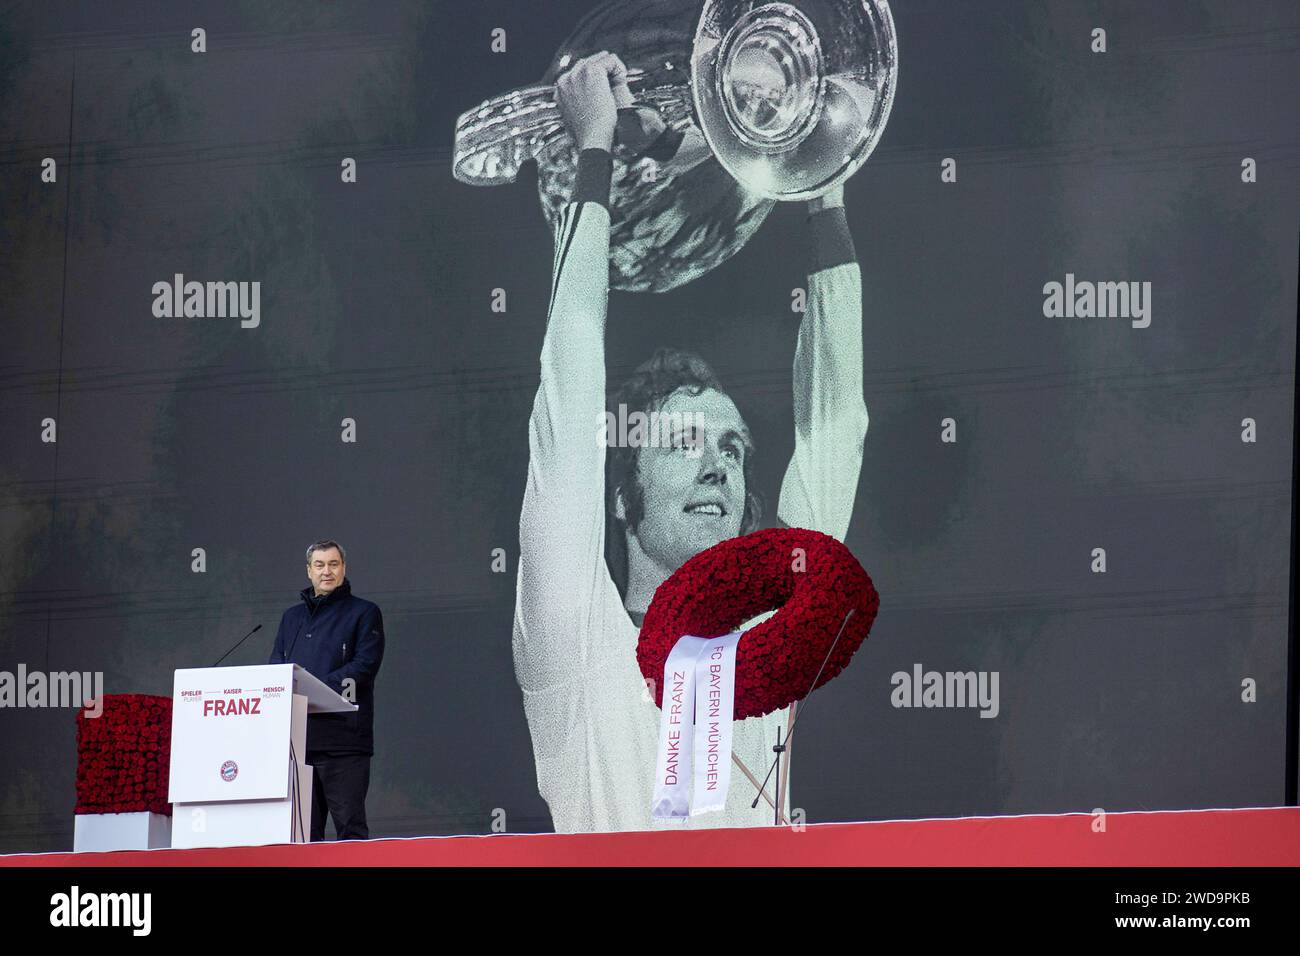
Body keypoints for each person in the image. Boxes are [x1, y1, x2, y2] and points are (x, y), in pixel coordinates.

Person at [512, 52, 869, 833]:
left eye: (735, 449)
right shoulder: (574, 638)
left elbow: (836, 429)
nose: (719, 465)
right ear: (619, 492)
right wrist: (595, 153)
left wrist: (824, 189)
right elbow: (569, 389)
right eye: (683, 441)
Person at [269, 540, 385, 840]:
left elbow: (364, 666)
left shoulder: (364, 612)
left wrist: (316, 686)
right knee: (304, 833)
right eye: (319, 565)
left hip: (344, 741)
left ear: (343, 569)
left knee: (350, 828)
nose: (327, 571)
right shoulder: (291, 618)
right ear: (309, 571)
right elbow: (275, 669)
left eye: (333, 564)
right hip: (298, 743)